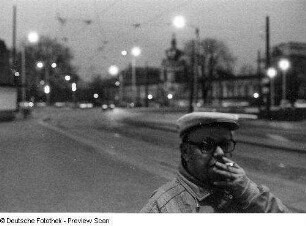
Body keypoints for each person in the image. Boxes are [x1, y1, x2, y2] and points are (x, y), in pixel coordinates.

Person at [140, 112, 290, 213]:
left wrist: (250, 193)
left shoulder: (243, 191)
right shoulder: (162, 207)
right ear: (185, 152)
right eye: (206, 145)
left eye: (224, 144)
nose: (219, 153)